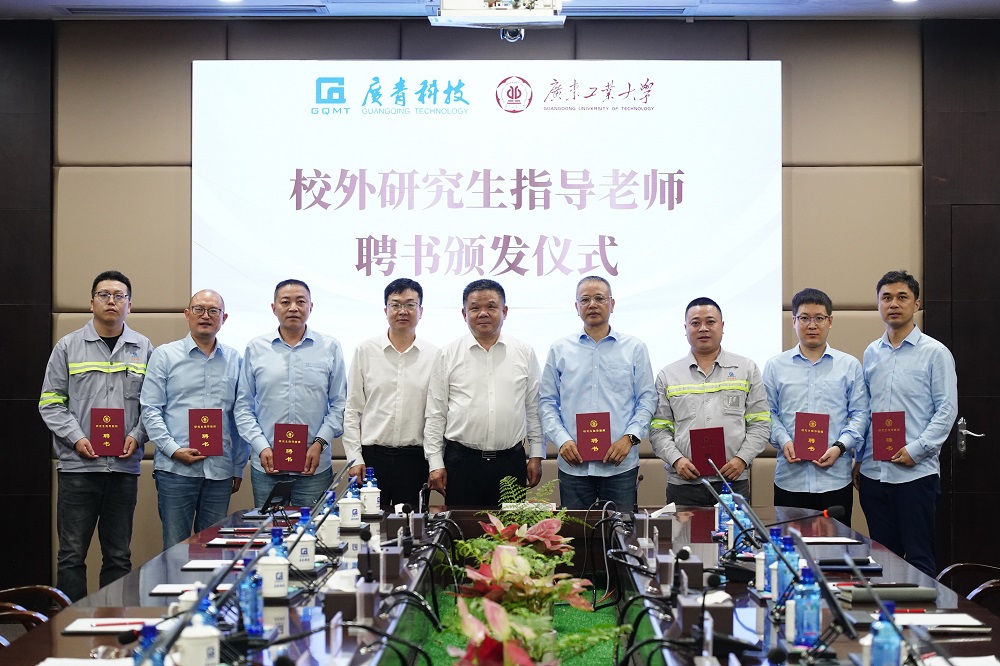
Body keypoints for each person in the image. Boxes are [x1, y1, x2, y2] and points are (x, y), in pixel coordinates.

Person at [38, 270, 154, 601]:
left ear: (130, 305)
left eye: (119, 296)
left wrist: (138, 435)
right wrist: (76, 437)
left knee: (118, 556)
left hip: (123, 468)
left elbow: (154, 405)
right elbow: (50, 402)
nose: (111, 301)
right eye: (104, 295)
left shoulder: (144, 348)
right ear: (92, 303)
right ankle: (68, 627)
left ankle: (112, 625)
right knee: (71, 555)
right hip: (78, 468)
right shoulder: (68, 346)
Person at [855, 270, 957, 577]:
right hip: (874, 474)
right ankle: (888, 610)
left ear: (917, 304)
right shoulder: (871, 352)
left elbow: (947, 409)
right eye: (886, 298)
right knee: (882, 561)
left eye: (902, 297)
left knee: (918, 559)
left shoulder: (935, 352)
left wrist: (918, 449)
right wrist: (859, 458)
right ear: (878, 304)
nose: (894, 304)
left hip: (915, 475)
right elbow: (866, 409)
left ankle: (922, 611)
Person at [141, 290, 249, 550]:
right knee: (175, 548)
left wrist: (237, 467)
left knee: (213, 549)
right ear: (187, 314)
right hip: (175, 470)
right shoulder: (165, 356)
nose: (206, 316)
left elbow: (240, 416)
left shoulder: (235, 359)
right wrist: (173, 450)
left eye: (213, 311)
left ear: (224, 318)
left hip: (219, 472)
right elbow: (150, 409)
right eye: (199, 309)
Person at [538, 275, 656, 510]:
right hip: (574, 464)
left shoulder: (634, 348)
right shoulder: (560, 349)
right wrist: (562, 441)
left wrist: (630, 438)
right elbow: (546, 402)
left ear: (612, 303)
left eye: (599, 298)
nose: (592, 304)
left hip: (620, 464)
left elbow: (647, 399)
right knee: (576, 531)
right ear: (576, 307)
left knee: (619, 530)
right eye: (585, 300)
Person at [423, 279, 543, 507]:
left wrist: (536, 454)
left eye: (491, 306)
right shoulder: (448, 354)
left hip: (510, 461)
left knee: (511, 528)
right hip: (461, 462)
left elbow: (533, 408)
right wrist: (435, 463)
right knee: (461, 528)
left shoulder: (524, 352)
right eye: (475, 308)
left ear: (504, 311)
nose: (483, 313)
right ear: (464, 313)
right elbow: (436, 413)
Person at [234, 279, 347, 508]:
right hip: (268, 465)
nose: (293, 307)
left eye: (300, 302)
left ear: (311, 307)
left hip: (313, 466)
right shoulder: (256, 348)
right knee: (269, 528)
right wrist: (261, 446)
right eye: (285, 302)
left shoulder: (330, 347)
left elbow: (340, 404)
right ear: (274, 308)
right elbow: (243, 406)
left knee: (314, 528)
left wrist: (319, 443)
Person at [649, 297, 770, 506]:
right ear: (685, 328)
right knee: (683, 530)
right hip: (684, 484)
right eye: (695, 323)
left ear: (722, 326)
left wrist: (742, 459)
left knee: (732, 530)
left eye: (710, 322)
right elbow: (658, 429)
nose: (703, 328)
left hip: (732, 481)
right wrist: (677, 460)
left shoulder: (746, 369)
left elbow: (760, 423)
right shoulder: (668, 375)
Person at [763, 288, 869, 526]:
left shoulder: (849, 365)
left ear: (830, 321)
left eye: (819, 318)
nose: (812, 325)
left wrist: (840, 447)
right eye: (804, 318)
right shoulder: (775, 366)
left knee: (835, 546)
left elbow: (860, 414)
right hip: (790, 479)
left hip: (834, 480)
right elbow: (768, 413)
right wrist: (784, 441)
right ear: (793, 321)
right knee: (790, 545)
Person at [343, 278, 437, 510]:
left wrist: (435, 461)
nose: (402, 311)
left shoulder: (434, 355)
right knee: (370, 526)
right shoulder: (365, 351)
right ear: (385, 310)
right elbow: (352, 409)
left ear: (421, 311)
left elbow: (436, 415)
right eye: (395, 305)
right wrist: (355, 458)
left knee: (413, 527)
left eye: (410, 305)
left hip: (415, 460)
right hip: (372, 460)